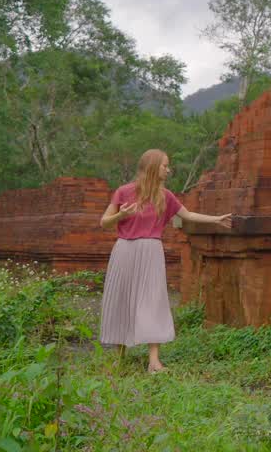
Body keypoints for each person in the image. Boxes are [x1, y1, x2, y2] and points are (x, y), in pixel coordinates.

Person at [99, 149, 232, 373]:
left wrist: (216, 219)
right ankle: (119, 357)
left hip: (151, 251)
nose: (168, 170)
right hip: (125, 250)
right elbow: (104, 222)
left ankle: (154, 362)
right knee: (122, 298)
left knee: (153, 301)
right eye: (165, 165)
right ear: (152, 167)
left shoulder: (166, 196)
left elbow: (188, 215)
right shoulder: (124, 192)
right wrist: (121, 215)